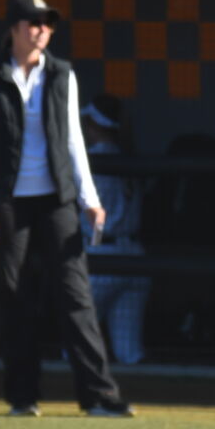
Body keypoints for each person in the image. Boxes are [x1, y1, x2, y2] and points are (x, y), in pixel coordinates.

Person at [0, 0, 132, 417]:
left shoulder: (62, 75)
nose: (43, 30)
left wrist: (89, 199)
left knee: (76, 294)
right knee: (15, 296)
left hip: (56, 198)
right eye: (34, 23)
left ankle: (99, 396)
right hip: (8, 202)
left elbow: (75, 140)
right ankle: (23, 397)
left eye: (48, 24)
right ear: (15, 29)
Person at [79, 93, 148, 366]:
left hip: (102, 253)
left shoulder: (90, 162)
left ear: (94, 124)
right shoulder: (129, 155)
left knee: (77, 342)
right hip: (134, 254)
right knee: (130, 353)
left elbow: (91, 217)